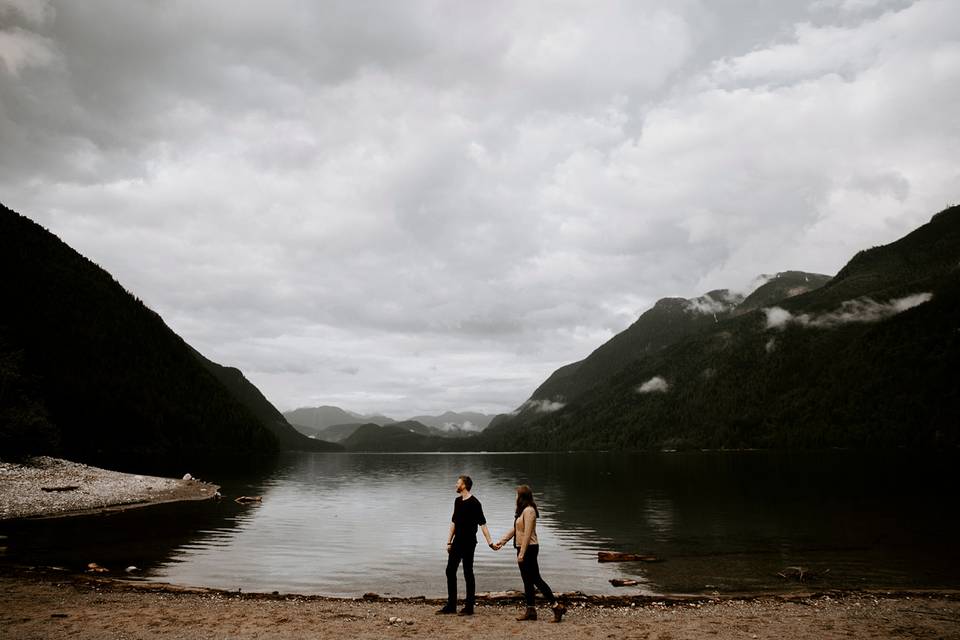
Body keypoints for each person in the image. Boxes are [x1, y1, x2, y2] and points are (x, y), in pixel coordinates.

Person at [492, 485, 566, 622]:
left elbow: (527, 533)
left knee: (536, 579)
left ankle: (556, 606)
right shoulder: (522, 511)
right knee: (527, 581)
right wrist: (501, 542)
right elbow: (515, 529)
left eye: (517, 495)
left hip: (530, 548)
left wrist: (522, 553)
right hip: (522, 548)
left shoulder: (529, 511)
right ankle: (531, 611)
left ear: (522, 497)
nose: (515, 497)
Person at [437, 474, 495, 616]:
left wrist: (490, 543)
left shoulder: (475, 503)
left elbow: (483, 524)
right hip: (457, 542)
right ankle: (451, 605)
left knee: (468, 572)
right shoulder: (457, 501)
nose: (455, 485)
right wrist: (449, 541)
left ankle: (469, 607)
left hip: (469, 542)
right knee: (450, 571)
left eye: (457, 483)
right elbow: (454, 523)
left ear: (464, 485)